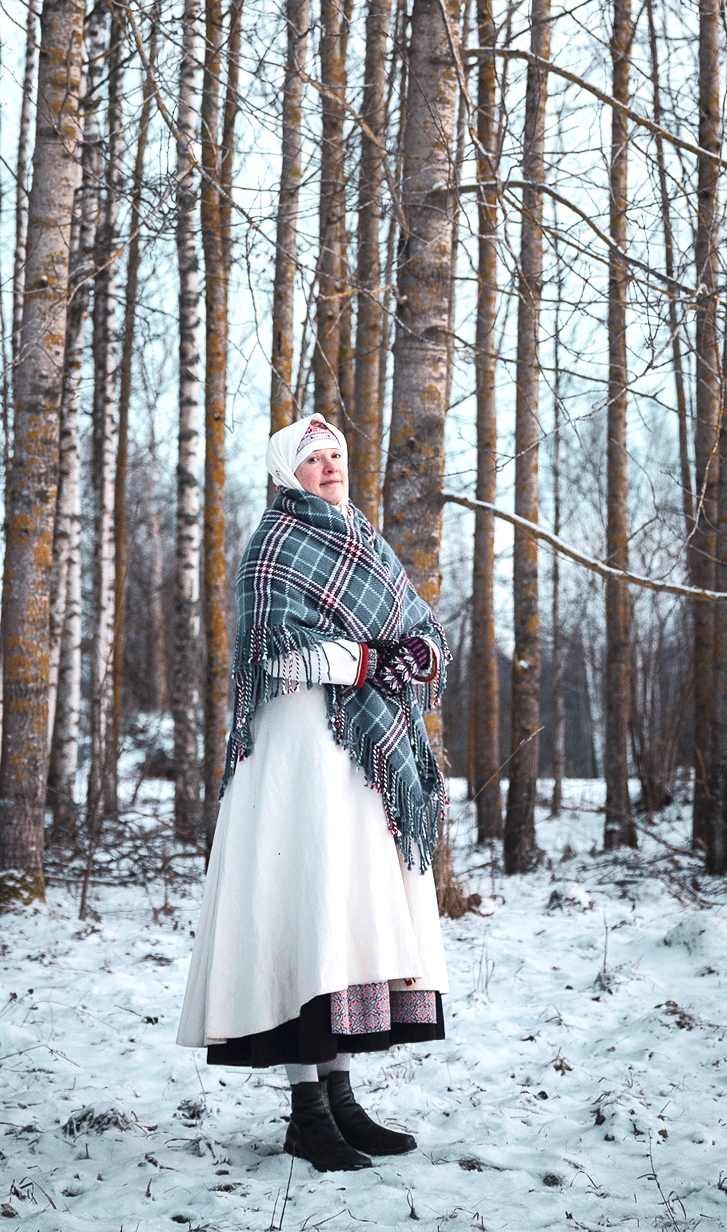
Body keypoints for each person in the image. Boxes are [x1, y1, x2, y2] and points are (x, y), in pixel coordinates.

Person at [177, 414, 450, 1173]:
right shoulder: (273, 545)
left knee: (342, 914)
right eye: (314, 459)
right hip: (296, 756)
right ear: (285, 474)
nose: (331, 467)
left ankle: (342, 1099)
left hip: (357, 763)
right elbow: (273, 656)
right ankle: (306, 1111)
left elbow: (421, 626)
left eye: (337, 455)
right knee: (304, 910)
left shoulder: (368, 541)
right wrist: (368, 662)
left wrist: (414, 655)